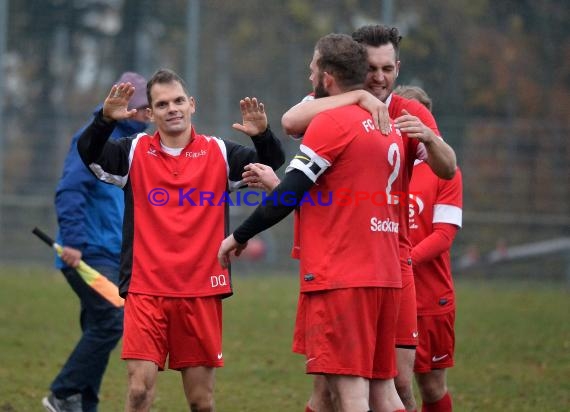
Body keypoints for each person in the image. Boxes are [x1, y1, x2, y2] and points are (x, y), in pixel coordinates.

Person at [76, 68, 285, 412]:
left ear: (192, 105)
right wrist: (104, 121)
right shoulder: (133, 151)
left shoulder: (219, 152)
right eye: (161, 104)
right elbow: (89, 154)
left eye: (177, 101)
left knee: (201, 401)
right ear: (151, 113)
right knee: (139, 391)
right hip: (146, 289)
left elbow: (271, 163)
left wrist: (262, 135)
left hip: (201, 290)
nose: (171, 109)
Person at [218, 33, 406, 412]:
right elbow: (341, 195)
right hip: (385, 272)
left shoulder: (332, 124)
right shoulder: (388, 127)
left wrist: (239, 235)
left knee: (351, 395)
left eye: (312, 70)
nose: (309, 78)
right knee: (385, 394)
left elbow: (290, 193)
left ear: (328, 78)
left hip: (343, 276)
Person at [280, 24, 457, 412]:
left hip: (394, 261)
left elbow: (447, 168)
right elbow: (291, 120)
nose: (379, 78)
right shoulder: (331, 103)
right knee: (329, 389)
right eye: (371, 68)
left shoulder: (410, 112)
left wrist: (430, 138)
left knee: (398, 382)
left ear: (398, 67)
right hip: (339, 263)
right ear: (357, 66)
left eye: (387, 69)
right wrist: (357, 97)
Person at [43, 72, 150, 412]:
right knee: (111, 320)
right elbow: (70, 189)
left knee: (98, 325)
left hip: (111, 253)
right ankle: (63, 392)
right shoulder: (92, 140)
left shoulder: (132, 145)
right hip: (88, 251)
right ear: (128, 108)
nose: (150, 115)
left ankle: (82, 402)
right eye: (145, 108)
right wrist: (73, 240)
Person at [396, 85, 463, 412]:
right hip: (387, 291)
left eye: (417, 117)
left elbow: (444, 235)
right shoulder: (386, 163)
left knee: (432, 386)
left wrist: (402, 260)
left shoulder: (445, 172)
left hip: (430, 296)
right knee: (392, 383)